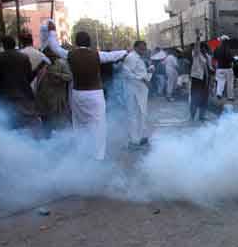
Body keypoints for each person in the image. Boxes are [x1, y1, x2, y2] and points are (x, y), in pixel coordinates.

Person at [67, 31, 127, 161]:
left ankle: (82, 152)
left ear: (76, 42)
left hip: (77, 94)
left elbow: (55, 48)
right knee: (99, 125)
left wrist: (51, 31)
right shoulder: (97, 55)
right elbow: (113, 56)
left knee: (79, 124)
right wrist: (125, 52)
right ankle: (98, 156)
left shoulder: (69, 55)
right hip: (94, 94)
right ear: (89, 42)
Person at [0, 36, 40, 129]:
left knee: (12, 129)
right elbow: (29, 77)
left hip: (7, 98)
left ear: (3, 45)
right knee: (27, 128)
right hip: (24, 97)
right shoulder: (24, 57)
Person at [123, 41, 153, 148]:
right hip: (133, 91)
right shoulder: (131, 57)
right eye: (141, 48)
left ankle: (140, 137)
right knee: (134, 115)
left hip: (140, 91)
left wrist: (148, 71)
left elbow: (139, 72)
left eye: (144, 49)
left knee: (141, 114)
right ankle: (133, 141)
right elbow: (126, 73)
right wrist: (142, 79)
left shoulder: (139, 58)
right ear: (135, 47)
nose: (143, 51)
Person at [36, 47, 72, 136]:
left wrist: (57, 75)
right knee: (47, 127)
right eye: (47, 55)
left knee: (59, 126)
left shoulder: (62, 63)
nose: (49, 57)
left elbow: (69, 77)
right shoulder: (43, 65)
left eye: (50, 55)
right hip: (44, 102)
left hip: (57, 101)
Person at [188, 31, 213, 121]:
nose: (205, 50)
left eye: (205, 49)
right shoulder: (196, 55)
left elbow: (209, 68)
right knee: (195, 97)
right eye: (203, 48)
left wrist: (211, 75)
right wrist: (198, 38)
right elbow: (196, 49)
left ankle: (201, 116)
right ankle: (192, 116)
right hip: (197, 79)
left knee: (204, 98)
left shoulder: (207, 57)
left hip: (205, 80)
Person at [214, 35, 235, 101]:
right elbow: (228, 56)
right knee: (230, 82)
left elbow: (215, 56)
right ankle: (230, 97)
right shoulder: (227, 47)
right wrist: (233, 59)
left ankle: (219, 94)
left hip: (220, 68)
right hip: (228, 68)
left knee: (220, 81)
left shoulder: (217, 48)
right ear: (226, 41)